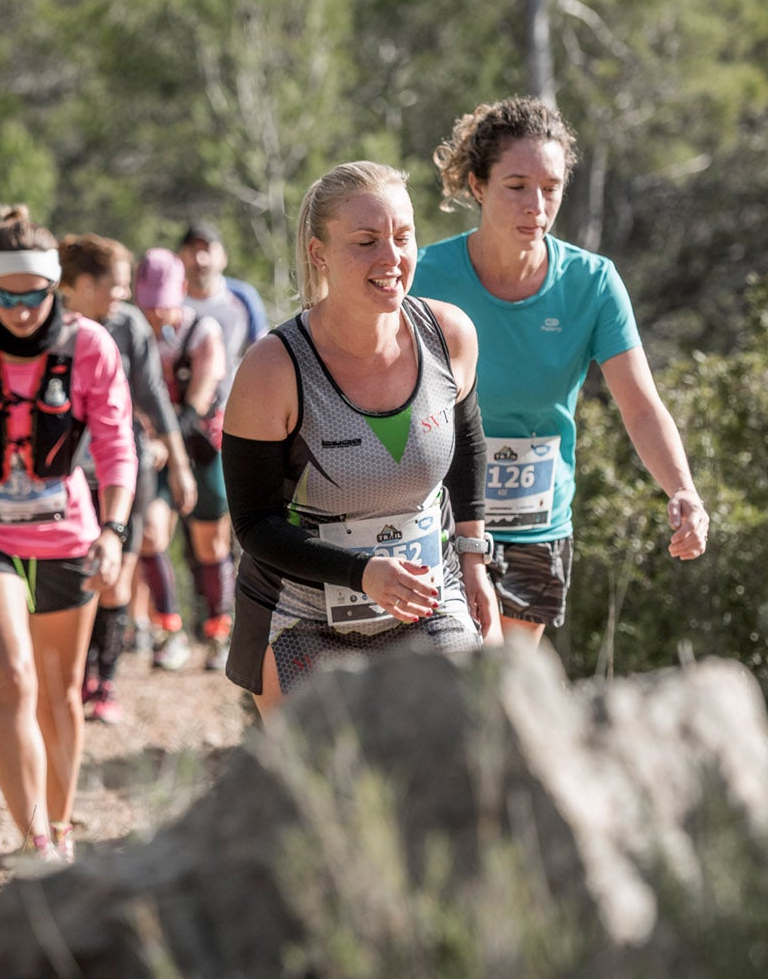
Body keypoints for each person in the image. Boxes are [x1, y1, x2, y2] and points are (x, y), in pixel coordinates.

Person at [413, 97, 708, 645]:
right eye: (517, 185)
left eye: (550, 188)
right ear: (478, 186)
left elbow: (641, 406)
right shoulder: (426, 276)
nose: (536, 206)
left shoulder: (592, 283)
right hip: (439, 516)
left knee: (507, 685)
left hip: (537, 523)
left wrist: (682, 489)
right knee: (457, 668)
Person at [222, 162, 500, 715]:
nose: (391, 258)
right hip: (300, 614)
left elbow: (466, 446)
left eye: (402, 237)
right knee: (326, 795)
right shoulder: (273, 368)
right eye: (366, 241)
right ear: (318, 252)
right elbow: (254, 525)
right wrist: (363, 573)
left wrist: (473, 558)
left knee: (461, 761)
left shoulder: (450, 336)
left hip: (428, 601)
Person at [0, 207, 135, 863]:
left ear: (56, 289)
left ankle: (62, 829)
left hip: (69, 533)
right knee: (12, 677)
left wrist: (115, 529)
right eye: (4, 295)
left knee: (62, 692)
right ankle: (33, 838)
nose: (18, 309)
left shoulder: (91, 345)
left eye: (33, 294)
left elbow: (116, 444)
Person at [60, 233, 197, 724]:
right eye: (115, 286)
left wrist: (178, 463)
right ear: (80, 284)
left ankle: (106, 681)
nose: (122, 295)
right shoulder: (51, 331)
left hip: (126, 469)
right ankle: (77, 675)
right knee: (76, 573)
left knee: (117, 574)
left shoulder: (129, 327)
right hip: (70, 474)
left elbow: (155, 397)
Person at [177, 220, 267, 671]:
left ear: (222, 255)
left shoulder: (240, 297)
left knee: (237, 527)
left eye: (207, 248)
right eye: (192, 249)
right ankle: (203, 624)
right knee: (194, 533)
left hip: (240, 424)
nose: (200, 258)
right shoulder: (170, 299)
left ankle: (235, 623)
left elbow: (263, 351)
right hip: (183, 431)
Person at [134, 247, 226, 673]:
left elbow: (196, 404)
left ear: (183, 292)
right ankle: (168, 631)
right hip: (154, 452)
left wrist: (165, 447)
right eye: (148, 305)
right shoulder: (133, 335)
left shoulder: (203, 332)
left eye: (164, 304)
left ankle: (217, 632)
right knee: (151, 535)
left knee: (211, 544)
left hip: (202, 449)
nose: (156, 315)